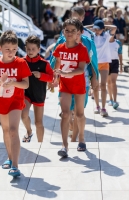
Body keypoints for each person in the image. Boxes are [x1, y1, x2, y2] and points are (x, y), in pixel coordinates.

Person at [53, 18, 90, 157]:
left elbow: (81, 69)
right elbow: (57, 64)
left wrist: (65, 73)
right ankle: (64, 145)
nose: (69, 33)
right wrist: (55, 78)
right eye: (67, 30)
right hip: (65, 85)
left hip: (79, 85)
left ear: (78, 33)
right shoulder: (59, 48)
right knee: (65, 114)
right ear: (63, 32)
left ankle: (81, 138)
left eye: (73, 31)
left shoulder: (82, 49)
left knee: (79, 114)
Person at [0, 30, 31, 177]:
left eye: (14, 49)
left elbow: (26, 85)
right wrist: (0, 82)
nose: (11, 52)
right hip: (1, 101)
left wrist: (14, 83)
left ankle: (15, 166)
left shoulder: (21, 63)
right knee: (5, 131)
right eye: (7, 49)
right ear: (0, 48)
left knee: (13, 130)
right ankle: (10, 159)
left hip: (16, 101)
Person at [21, 35, 53, 142]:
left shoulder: (44, 64)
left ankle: (40, 144)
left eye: (33, 49)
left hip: (39, 94)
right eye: (28, 49)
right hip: (26, 93)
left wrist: (41, 75)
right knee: (24, 114)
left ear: (39, 49)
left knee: (38, 122)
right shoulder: (22, 62)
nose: (30, 51)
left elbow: (52, 78)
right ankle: (29, 131)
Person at [85, 20, 117, 116]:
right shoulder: (91, 35)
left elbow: (114, 27)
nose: (96, 30)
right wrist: (93, 25)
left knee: (103, 85)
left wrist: (103, 25)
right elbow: (82, 27)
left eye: (98, 29)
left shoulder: (107, 35)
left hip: (104, 63)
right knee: (95, 85)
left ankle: (103, 108)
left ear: (102, 29)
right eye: (95, 29)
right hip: (94, 63)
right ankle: (97, 105)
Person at [107, 37, 123, 109]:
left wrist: (121, 66)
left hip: (115, 62)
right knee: (109, 82)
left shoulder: (118, 43)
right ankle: (110, 99)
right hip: (106, 62)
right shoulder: (104, 42)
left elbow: (120, 54)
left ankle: (115, 100)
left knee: (113, 81)